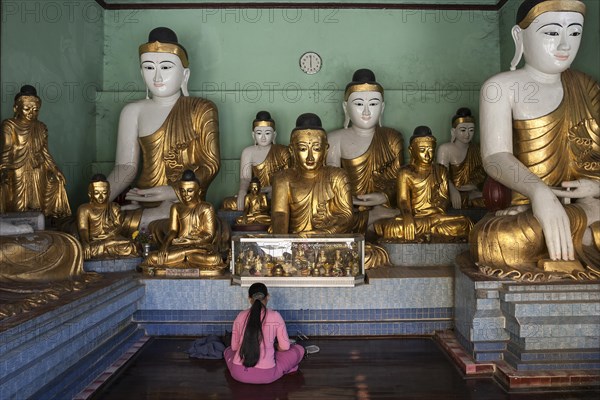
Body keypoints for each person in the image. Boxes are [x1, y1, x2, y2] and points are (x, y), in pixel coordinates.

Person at [471, 0, 599, 278]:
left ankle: (579, 225)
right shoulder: (500, 87)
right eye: (552, 33)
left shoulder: (588, 88)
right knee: (496, 240)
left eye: (575, 33)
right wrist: (538, 193)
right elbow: (495, 157)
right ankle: (581, 230)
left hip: (584, 203)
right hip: (528, 211)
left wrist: (594, 189)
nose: (565, 45)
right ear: (520, 36)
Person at [106, 27, 220, 234]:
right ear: (141, 72)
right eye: (149, 68)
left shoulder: (201, 108)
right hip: (141, 198)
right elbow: (125, 167)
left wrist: (171, 191)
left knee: (180, 218)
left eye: (166, 67)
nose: (157, 76)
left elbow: (210, 165)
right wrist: (100, 201)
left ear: (185, 74)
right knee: (94, 220)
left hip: (182, 200)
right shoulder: (132, 111)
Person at [327, 68, 404, 231]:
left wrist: (383, 196)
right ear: (346, 107)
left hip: (384, 207)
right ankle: (369, 218)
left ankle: (371, 219)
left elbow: (401, 181)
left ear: (382, 107)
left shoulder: (392, 138)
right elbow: (331, 185)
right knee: (330, 221)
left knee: (400, 226)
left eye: (374, 104)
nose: (367, 111)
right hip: (349, 207)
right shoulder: (334, 139)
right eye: (359, 104)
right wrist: (352, 200)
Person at [374, 126, 473, 241]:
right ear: (411, 150)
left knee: (465, 223)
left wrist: (435, 214)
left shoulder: (441, 170)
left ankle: (428, 232)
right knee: (393, 228)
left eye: (430, 150)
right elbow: (403, 200)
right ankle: (431, 232)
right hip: (416, 218)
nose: (427, 155)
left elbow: (444, 199)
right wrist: (407, 217)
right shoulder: (405, 172)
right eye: (422, 150)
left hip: (437, 217)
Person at [271, 113, 354, 235]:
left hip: (329, 244)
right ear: (292, 150)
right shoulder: (283, 179)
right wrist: (283, 246)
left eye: (316, 149)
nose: (310, 157)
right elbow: (279, 216)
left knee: (373, 254)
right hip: (295, 244)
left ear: (325, 150)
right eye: (303, 149)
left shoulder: (338, 177)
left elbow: (347, 217)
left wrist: (325, 229)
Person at [0, 85, 71, 218]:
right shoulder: (9, 125)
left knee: (38, 201)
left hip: (38, 167)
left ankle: (40, 224)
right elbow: (6, 150)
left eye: (35, 110)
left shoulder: (41, 127)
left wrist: (56, 170)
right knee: (18, 204)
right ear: (16, 108)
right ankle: (18, 226)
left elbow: (44, 151)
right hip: (17, 167)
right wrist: (2, 168)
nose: (31, 113)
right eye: (27, 109)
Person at [140, 170, 224, 275]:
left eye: (190, 191)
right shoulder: (176, 207)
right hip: (179, 246)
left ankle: (184, 257)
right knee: (152, 258)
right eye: (182, 191)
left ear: (198, 191)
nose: (185, 195)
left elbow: (209, 235)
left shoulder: (206, 208)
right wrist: (165, 245)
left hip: (199, 247)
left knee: (215, 259)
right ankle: (184, 257)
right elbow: (173, 230)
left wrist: (191, 241)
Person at [224, 283, 305, 384]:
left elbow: (234, 348)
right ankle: (288, 368)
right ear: (268, 297)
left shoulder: (240, 315)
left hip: (238, 373)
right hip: (266, 375)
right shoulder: (275, 316)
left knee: (227, 351)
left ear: (249, 298)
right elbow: (285, 347)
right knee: (299, 349)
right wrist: (275, 347)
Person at [222, 111, 290, 211]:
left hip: (276, 194)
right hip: (255, 194)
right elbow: (245, 178)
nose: (263, 137)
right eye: (259, 133)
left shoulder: (282, 151)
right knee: (227, 203)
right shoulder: (248, 152)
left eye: (267, 133)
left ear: (274, 135)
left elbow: (289, 177)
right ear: (253, 135)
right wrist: (242, 192)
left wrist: (273, 188)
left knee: (283, 201)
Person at [76, 174, 138, 260]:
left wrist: (111, 234)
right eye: (97, 193)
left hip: (112, 239)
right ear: (90, 194)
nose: (101, 197)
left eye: (104, 192)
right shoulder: (84, 209)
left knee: (131, 246)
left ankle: (109, 245)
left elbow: (119, 226)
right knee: (85, 250)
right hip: (94, 242)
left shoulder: (114, 207)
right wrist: (85, 243)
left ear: (109, 193)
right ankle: (108, 245)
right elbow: (83, 229)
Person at [435, 107, 486, 209]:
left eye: (471, 130)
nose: (467, 134)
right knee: (442, 201)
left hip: (473, 192)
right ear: (453, 131)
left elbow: (481, 174)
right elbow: (441, 176)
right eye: (463, 130)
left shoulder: (477, 149)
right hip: (451, 192)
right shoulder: (445, 149)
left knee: (489, 198)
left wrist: (474, 186)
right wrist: (453, 190)